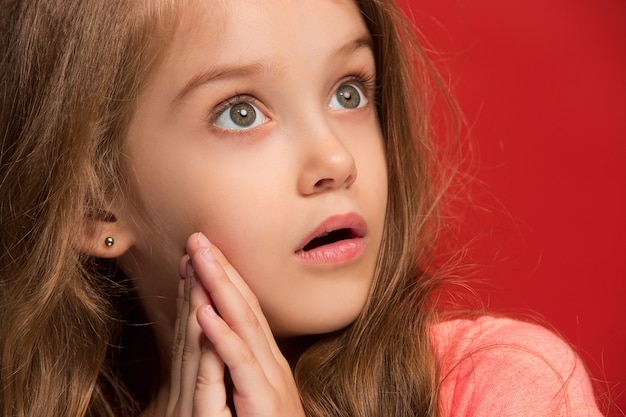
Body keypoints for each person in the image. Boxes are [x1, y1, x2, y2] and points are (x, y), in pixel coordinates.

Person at [0, 1, 604, 416]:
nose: (336, 159)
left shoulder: (503, 385)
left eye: (349, 91)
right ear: (93, 203)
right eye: (241, 111)